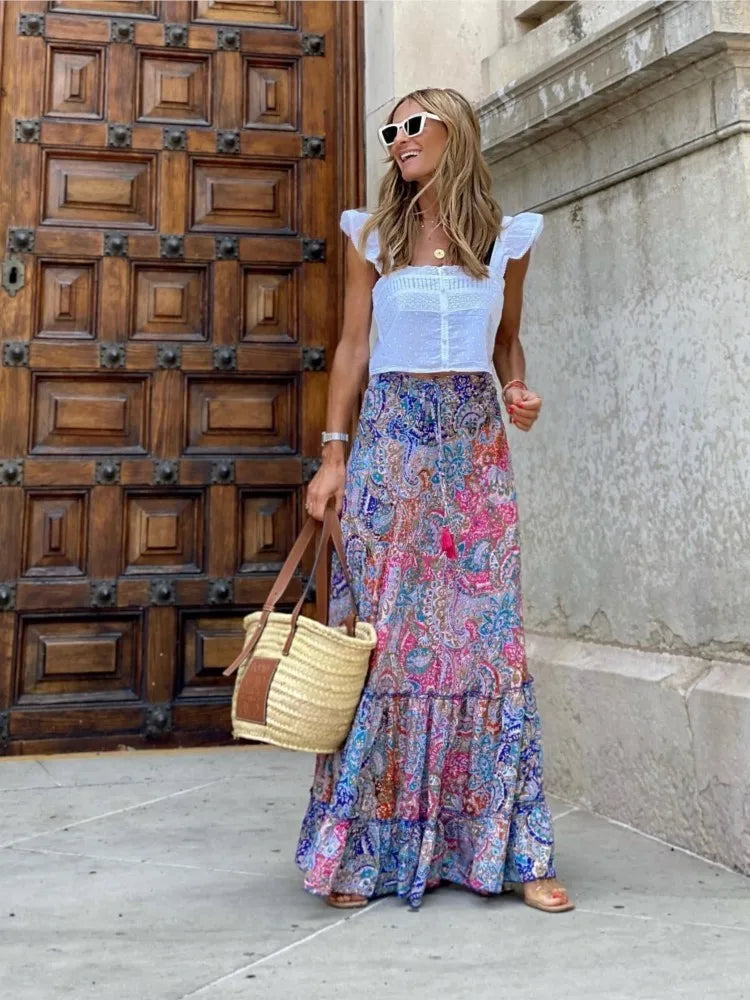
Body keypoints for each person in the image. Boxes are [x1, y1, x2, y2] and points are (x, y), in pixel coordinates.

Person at [295, 87, 574, 914]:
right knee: (385, 647)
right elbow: (352, 347)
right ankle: (362, 856)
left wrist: (518, 388)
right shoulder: (371, 236)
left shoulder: (507, 236)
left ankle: (514, 851)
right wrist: (332, 456)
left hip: (474, 457)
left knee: (487, 647)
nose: (399, 138)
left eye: (414, 123)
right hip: (391, 449)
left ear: (457, 130)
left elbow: (505, 339)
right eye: (390, 129)